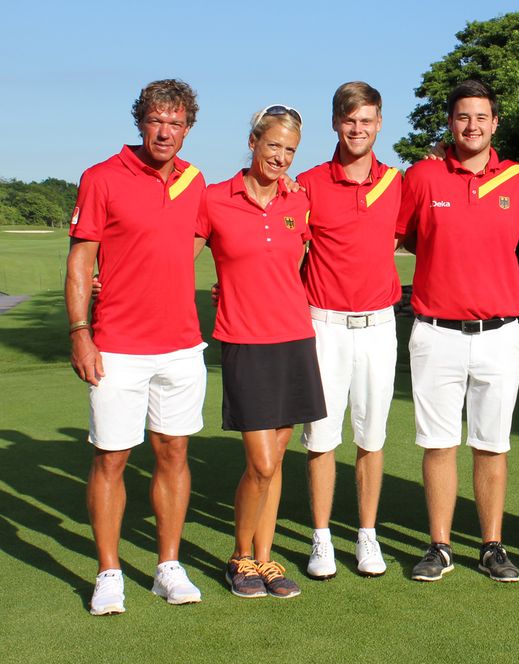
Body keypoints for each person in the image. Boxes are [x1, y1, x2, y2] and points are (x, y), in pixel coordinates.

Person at [66, 79, 207, 615]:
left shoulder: (195, 181)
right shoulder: (102, 177)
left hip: (180, 346)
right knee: (112, 458)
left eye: (175, 123)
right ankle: (109, 572)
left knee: (174, 453)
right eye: (156, 120)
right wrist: (80, 331)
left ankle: (168, 566)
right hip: (117, 346)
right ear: (140, 122)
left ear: (188, 128)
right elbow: (81, 260)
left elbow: (195, 237)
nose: (165, 131)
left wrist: (158, 269)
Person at [396, 79, 519, 582]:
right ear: (450, 123)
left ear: (495, 123)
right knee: (438, 443)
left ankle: (492, 545)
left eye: (481, 117)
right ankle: (440, 546)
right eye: (461, 117)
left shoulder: (518, 180)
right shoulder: (424, 177)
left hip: (499, 333)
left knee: (492, 443)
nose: (471, 126)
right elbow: (402, 237)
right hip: (435, 331)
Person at [196, 104, 326, 599]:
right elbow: (174, 252)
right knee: (262, 463)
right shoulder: (213, 199)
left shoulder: (299, 201)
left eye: (290, 150)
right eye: (273, 145)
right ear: (252, 142)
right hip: (244, 342)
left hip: (294, 339)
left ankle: (265, 560)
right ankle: (238, 556)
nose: (281, 157)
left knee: (277, 459)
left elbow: (324, 259)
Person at [297, 82, 401, 579]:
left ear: (379, 123)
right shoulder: (309, 183)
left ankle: (366, 536)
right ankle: (321, 539)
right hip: (323, 324)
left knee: (371, 437)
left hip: (379, 325)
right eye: (348, 120)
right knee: (322, 439)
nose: (357, 129)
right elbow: (276, 247)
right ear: (335, 123)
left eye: (367, 120)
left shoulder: (398, 182)